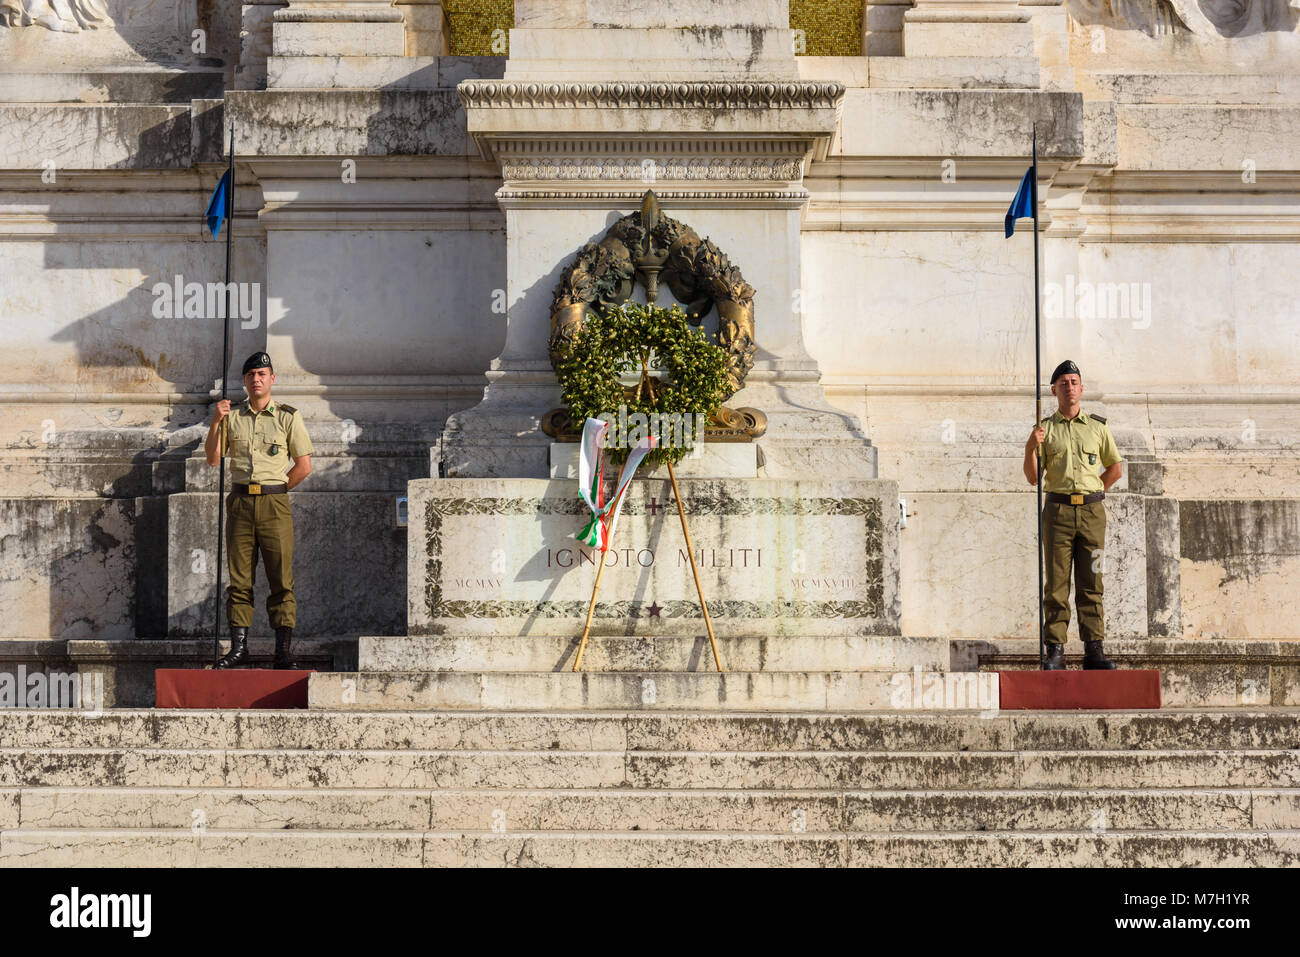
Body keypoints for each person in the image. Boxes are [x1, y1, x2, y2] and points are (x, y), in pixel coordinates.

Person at [204, 352, 313, 669]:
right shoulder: (232, 417)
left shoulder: (288, 417)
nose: (257, 379)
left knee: (281, 578)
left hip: (274, 503)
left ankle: (283, 651)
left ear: (272, 379)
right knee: (239, 579)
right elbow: (213, 459)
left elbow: (303, 466)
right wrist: (215, 421)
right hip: (239, 502)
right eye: (251, 375)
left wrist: (276, 492)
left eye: (263, 374)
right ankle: (240, 649)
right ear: (244, 381)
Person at [1023, 360, 1123, 671]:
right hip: (1058, 512)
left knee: (1092, 581)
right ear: (1054, 390)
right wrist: (1030, 448)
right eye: (1064, 382)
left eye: (1074, 381)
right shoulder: (1045, 430)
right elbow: (1032, 477)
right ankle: (1055, 651)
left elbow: (1115, 468)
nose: (1070, 387)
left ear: (1082, 388)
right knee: (1056, 584)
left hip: (1092, 513)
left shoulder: (1098, 428)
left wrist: (1095, 494)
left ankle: (1094, 650)